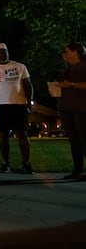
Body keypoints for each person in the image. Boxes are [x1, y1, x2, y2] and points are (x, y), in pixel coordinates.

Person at [0, 42, 34, 174]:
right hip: (1, 106)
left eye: (3, 52)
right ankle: (5, 163)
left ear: (7, 52)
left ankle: (26, 163)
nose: (1, 54)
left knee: (22, 134)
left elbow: (27, 85)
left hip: (19, 104)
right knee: (3, 136)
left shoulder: (20, 66)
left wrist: (29, 102)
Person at [56, 42, 86, 181]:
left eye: (66, 51)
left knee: (83, 139)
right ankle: (78, 169)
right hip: (67, 108)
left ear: (76, 52)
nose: (64, 54)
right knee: (74, 140)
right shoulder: (67, 69)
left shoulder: (84, 66)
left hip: (81, 109)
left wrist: (72, 84)